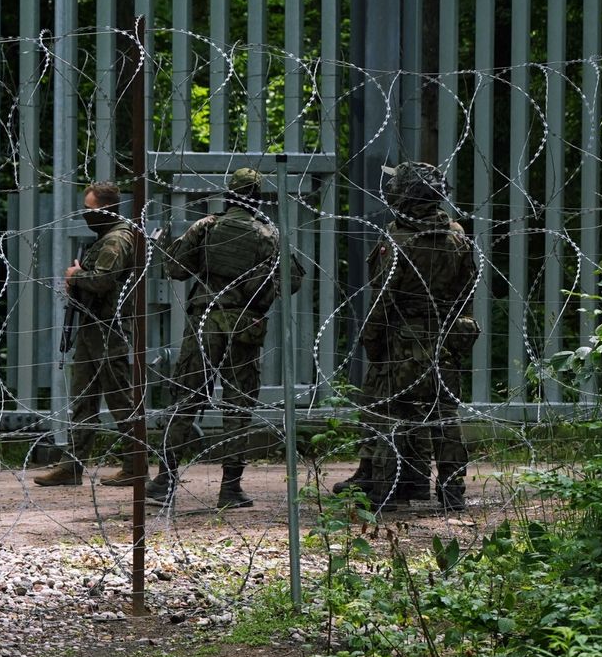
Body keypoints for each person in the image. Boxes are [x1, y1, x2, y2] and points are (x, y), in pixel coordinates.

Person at [146, 168, 303, 509]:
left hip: (205, 322)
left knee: (185, 399)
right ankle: (230, 489)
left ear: (228, 195)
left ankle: (164, 482)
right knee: (238, 405)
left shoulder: (206, 227)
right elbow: (292, 281)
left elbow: (175, 269)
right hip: (244, 326)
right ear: (258, 198)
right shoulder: (268, 235)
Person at [333, 161, 478, 511]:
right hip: (443, 336)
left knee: (390, 412)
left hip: (402, 338)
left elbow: (383, 297)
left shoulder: (398, 239)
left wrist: (373, 340)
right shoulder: (457, 236)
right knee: (443, 414)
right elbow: (467, 290)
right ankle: (451, 491)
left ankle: (385, 491)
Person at [33, 181, 139, 487]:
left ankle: (135, 463)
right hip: (94, 326)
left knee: (120, 398)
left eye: (90, 209)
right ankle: (72, 466)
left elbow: (102, 281)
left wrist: (76, 275)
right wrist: (80, 279)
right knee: (83, 398)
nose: (86, 215)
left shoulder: (116, 240)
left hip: (108, 328)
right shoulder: (106, 238)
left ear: (105, 210)